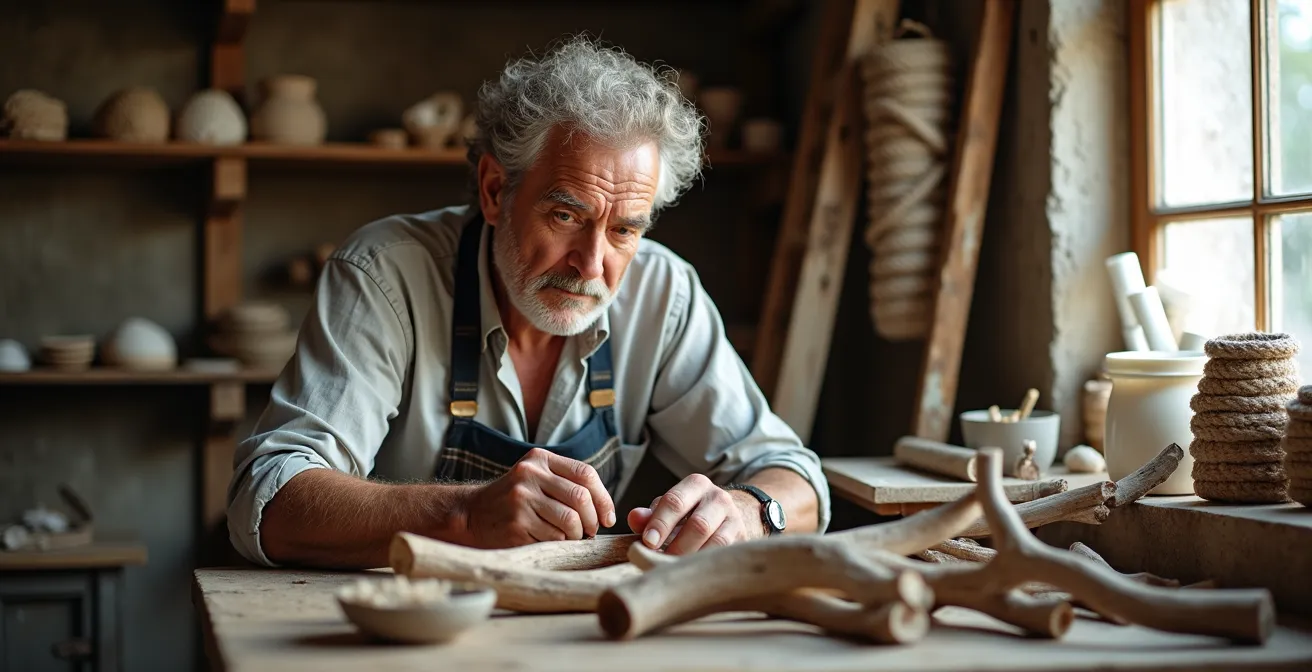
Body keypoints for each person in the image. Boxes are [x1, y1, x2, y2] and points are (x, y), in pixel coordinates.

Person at [227, 36, 831, 569]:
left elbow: (795, 477)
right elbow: (270, 497)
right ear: (495, 191)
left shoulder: (662, 293)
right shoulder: (388, 274)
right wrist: (464, 515)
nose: (591, 264)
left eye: (625, 230)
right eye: (566, 216)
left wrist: (748, 513)